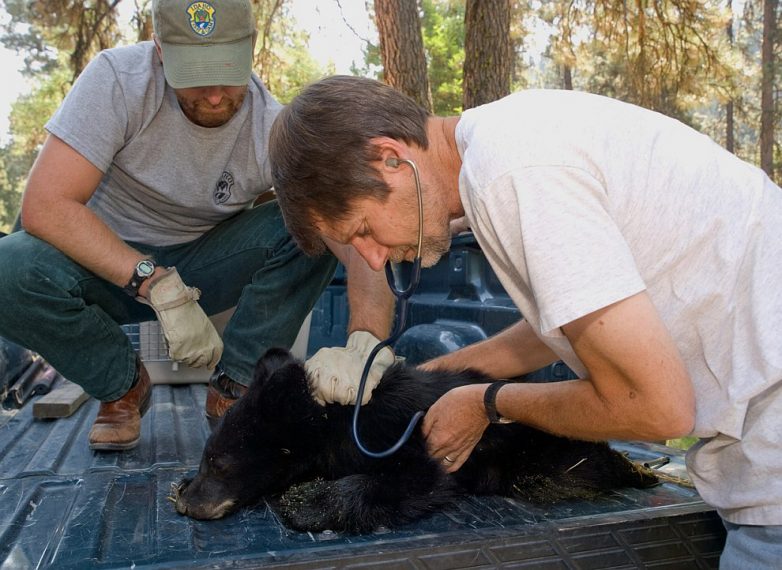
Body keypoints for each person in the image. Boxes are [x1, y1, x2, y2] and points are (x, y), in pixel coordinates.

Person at [268, 75, 782, 568]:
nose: (374, 259)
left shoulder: (514, 178)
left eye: (364, 230)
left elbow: (657, 408)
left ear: (390, 160)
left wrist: (486, 402)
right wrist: (442, 377)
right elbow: (575, 324)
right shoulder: (510, 145)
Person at [0, 3, 394, 452]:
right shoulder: (117, 80)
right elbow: (46, 206)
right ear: (160, 50)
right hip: (98, 264)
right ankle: (122, 382)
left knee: (310, 223)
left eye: (227, 71)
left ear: (251, 47)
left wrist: (366, 342)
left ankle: (237, 389)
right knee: (7, 268)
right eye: (195, 74)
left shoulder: (272, 128)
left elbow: (359, 238)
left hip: (204, 266)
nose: (213, 95)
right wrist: (156, 285)